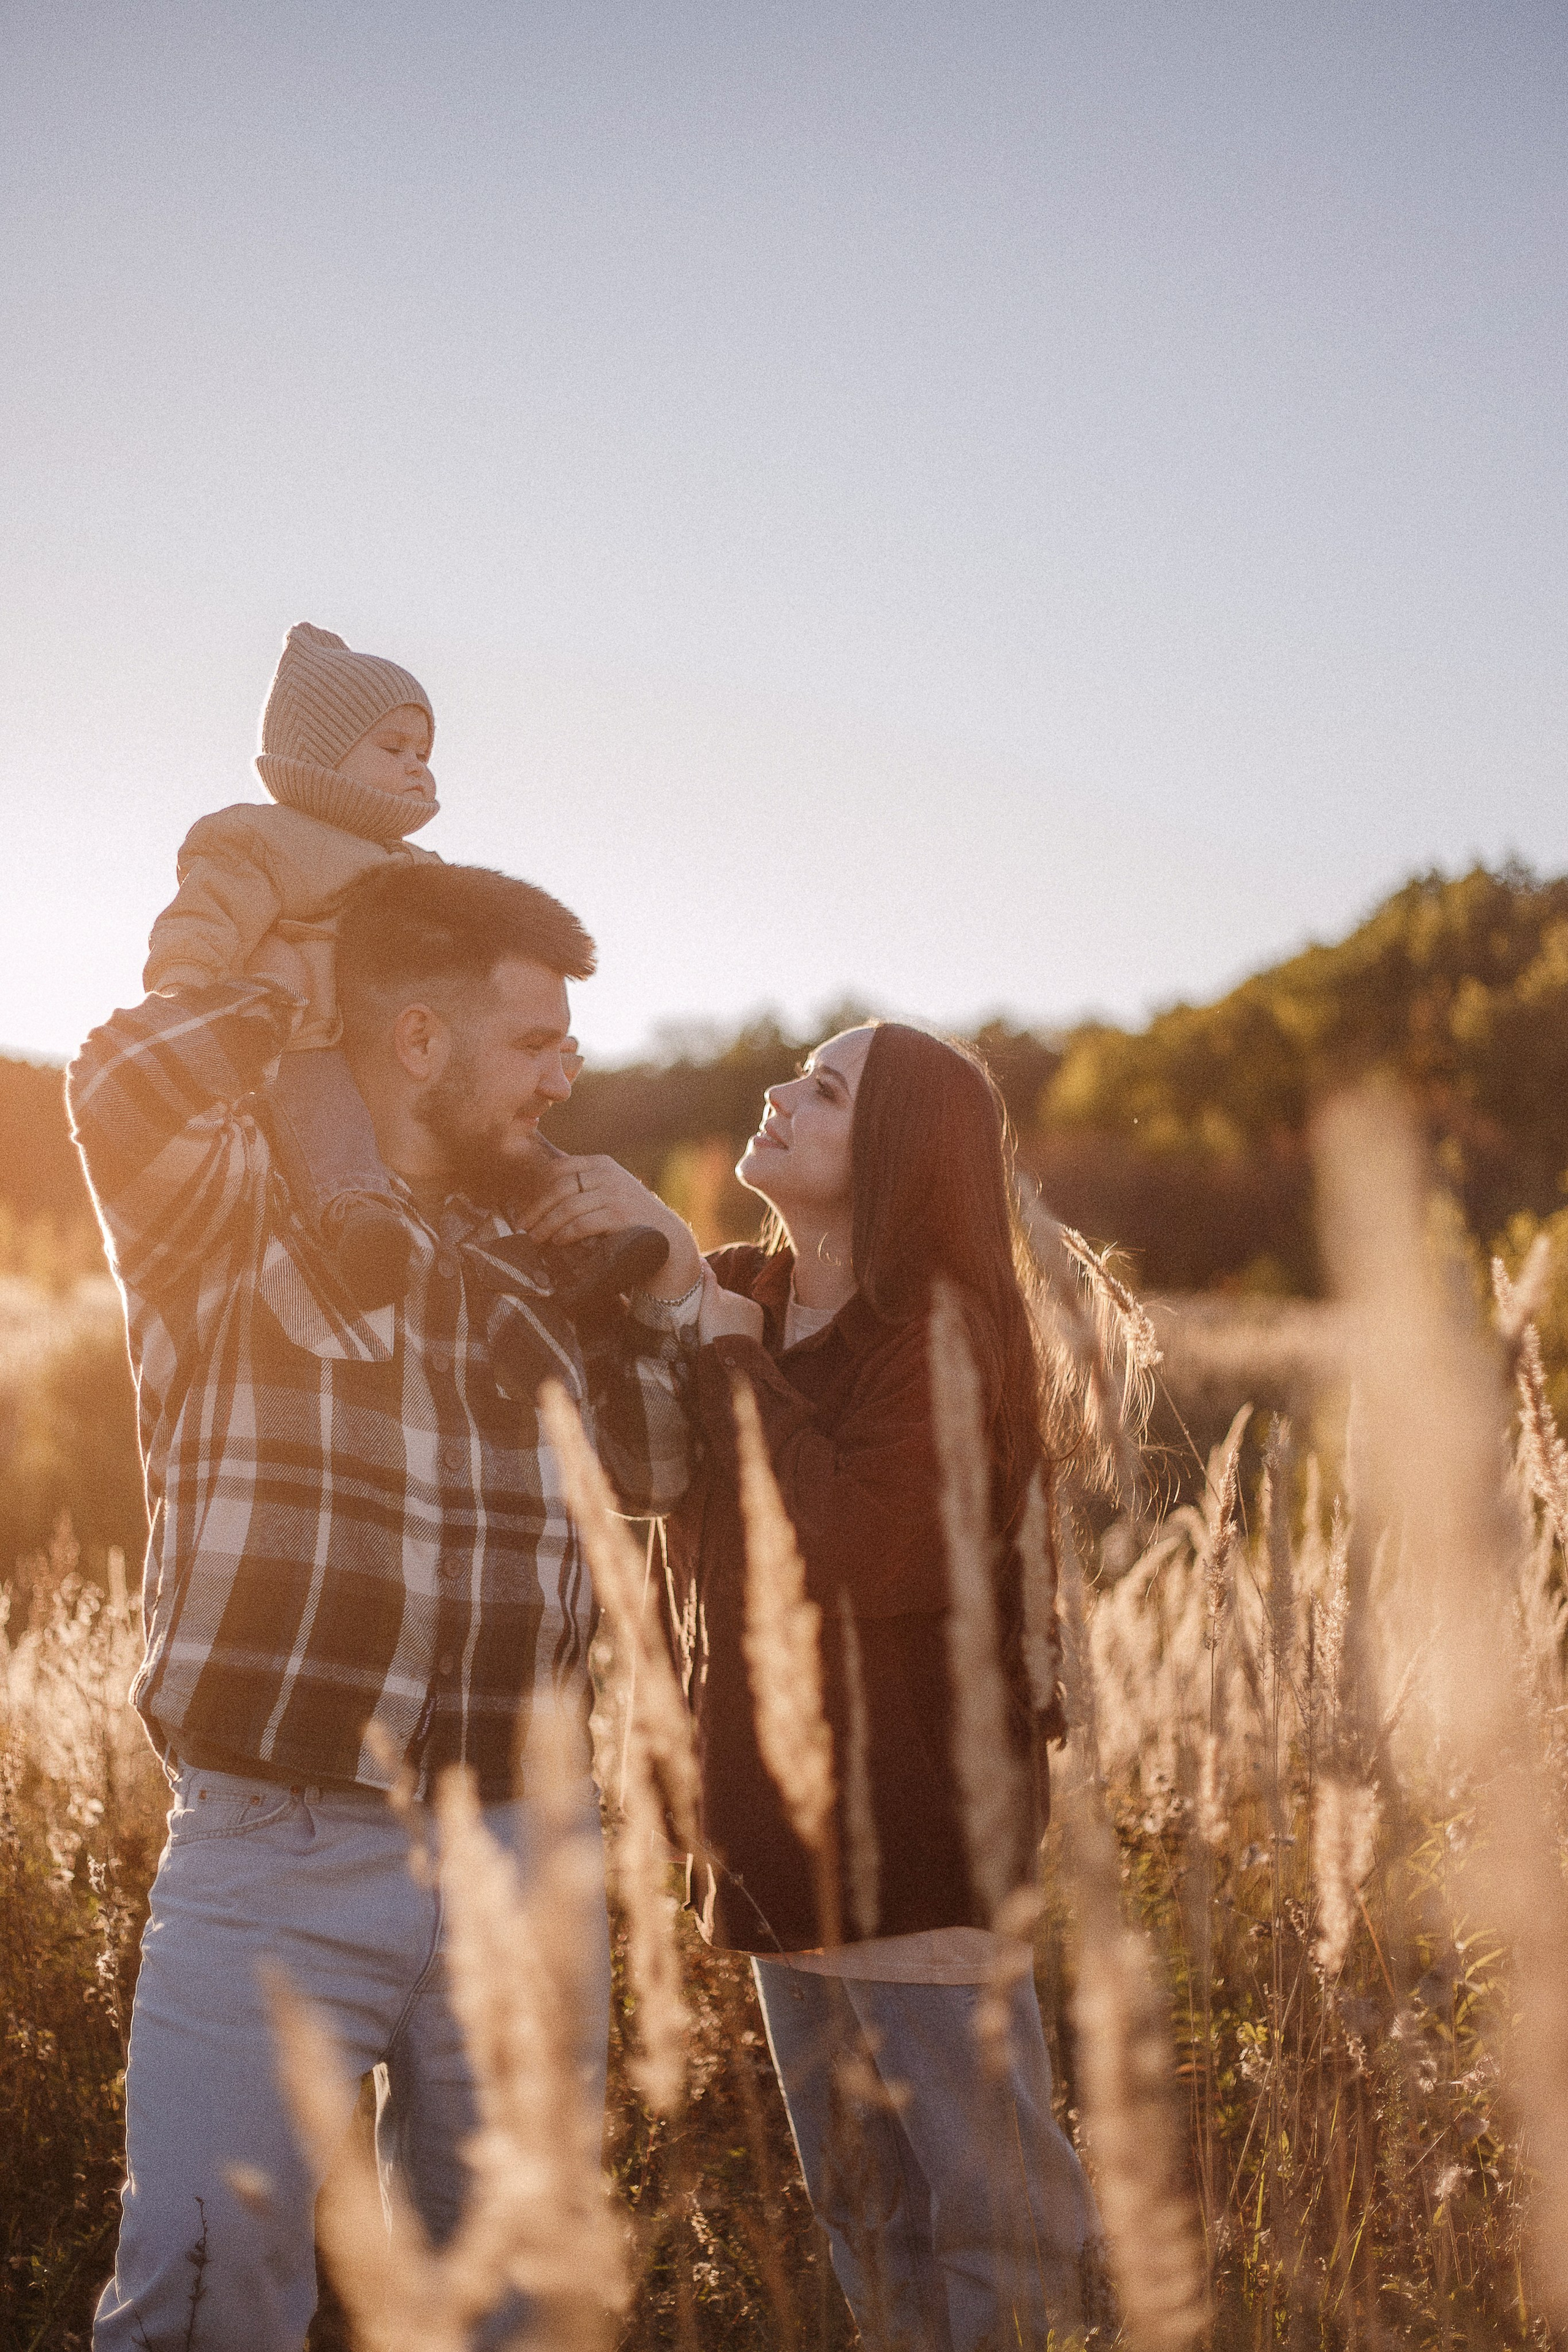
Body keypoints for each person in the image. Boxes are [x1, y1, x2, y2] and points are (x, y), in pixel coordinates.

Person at [67, 859, 706, 2352]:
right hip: (278, 1848)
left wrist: (649, 1281)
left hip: (525, 1851)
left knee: (521, 2305)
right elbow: (120, 1088)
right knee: (206, 2294)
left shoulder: (540, 1242)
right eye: (537, 1040)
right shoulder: (234, 1208)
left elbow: (662, 1465)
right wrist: (298, 978)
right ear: (417, 1039)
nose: (568, 1074)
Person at [598, 1020, 1102, 2352]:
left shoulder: (940, 1332)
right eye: (796, 1075)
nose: (778, 1091)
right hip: (772, 1839)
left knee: (993, 2219)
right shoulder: (735, 1292)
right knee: (862, 2219)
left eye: (824, 1092)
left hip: (917, 1843)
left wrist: (716, 1350)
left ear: (890, 1156)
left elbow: (836, 1548)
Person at [143, 619, 445, 1308]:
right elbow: (205, 917)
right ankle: (357, 1217)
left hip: (407, 1045)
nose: (417, 767)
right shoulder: (261, 838)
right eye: (393, 747)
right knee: (321, 1103)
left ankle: (567, 1226)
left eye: (424, 753)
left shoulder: (419, 867)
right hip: (312, 1037)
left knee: (490, 1105)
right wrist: (182, 993)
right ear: (320, 755)